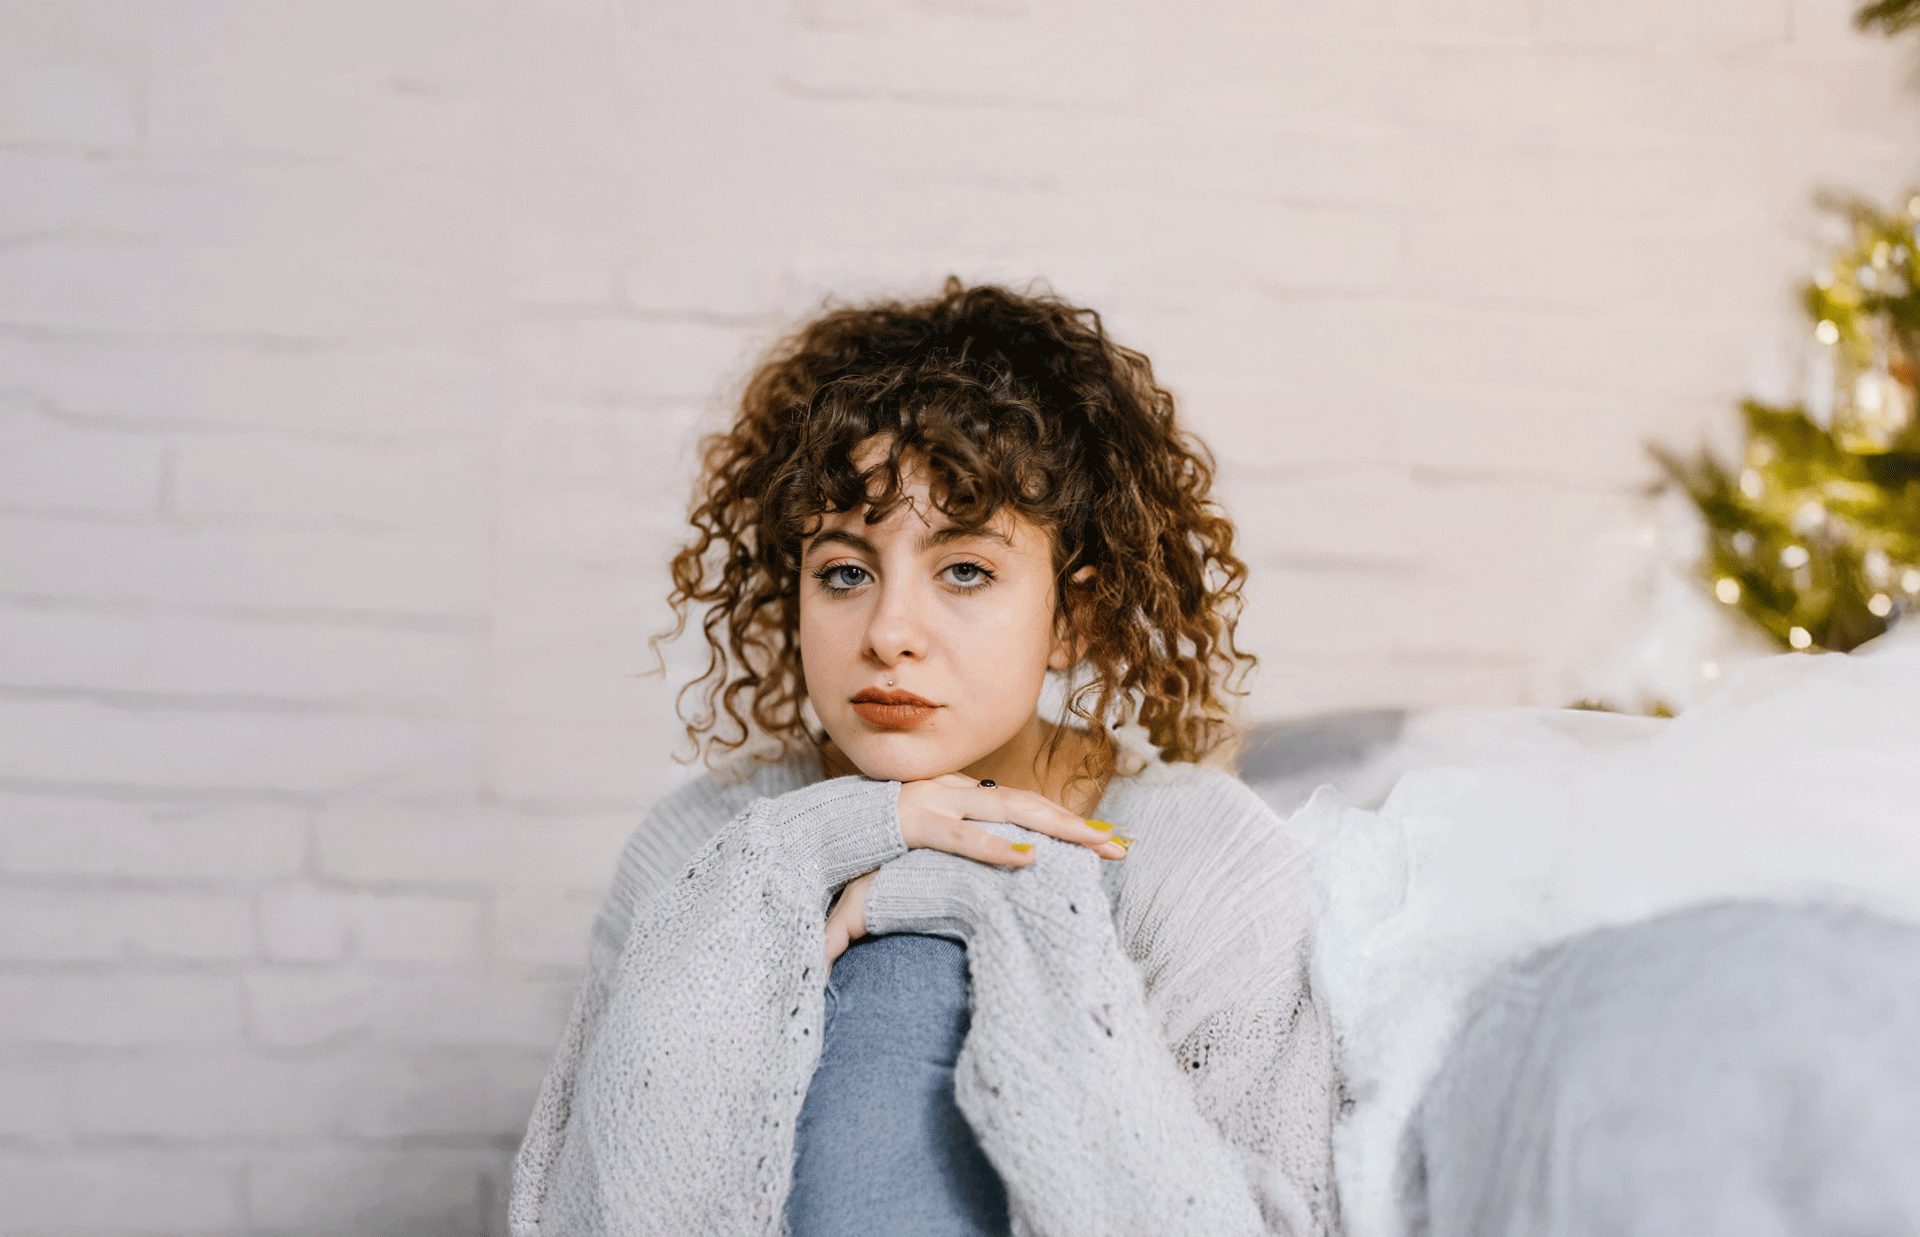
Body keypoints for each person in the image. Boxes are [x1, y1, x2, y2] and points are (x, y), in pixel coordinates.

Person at [506, 277, 1339, 1237]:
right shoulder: (706, 844)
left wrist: (981, 898)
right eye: (844, 572)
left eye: (965, 570)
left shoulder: (1205, 861)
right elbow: (586, 1211)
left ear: (1076, 616)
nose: (889, 631)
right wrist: (818, 841)